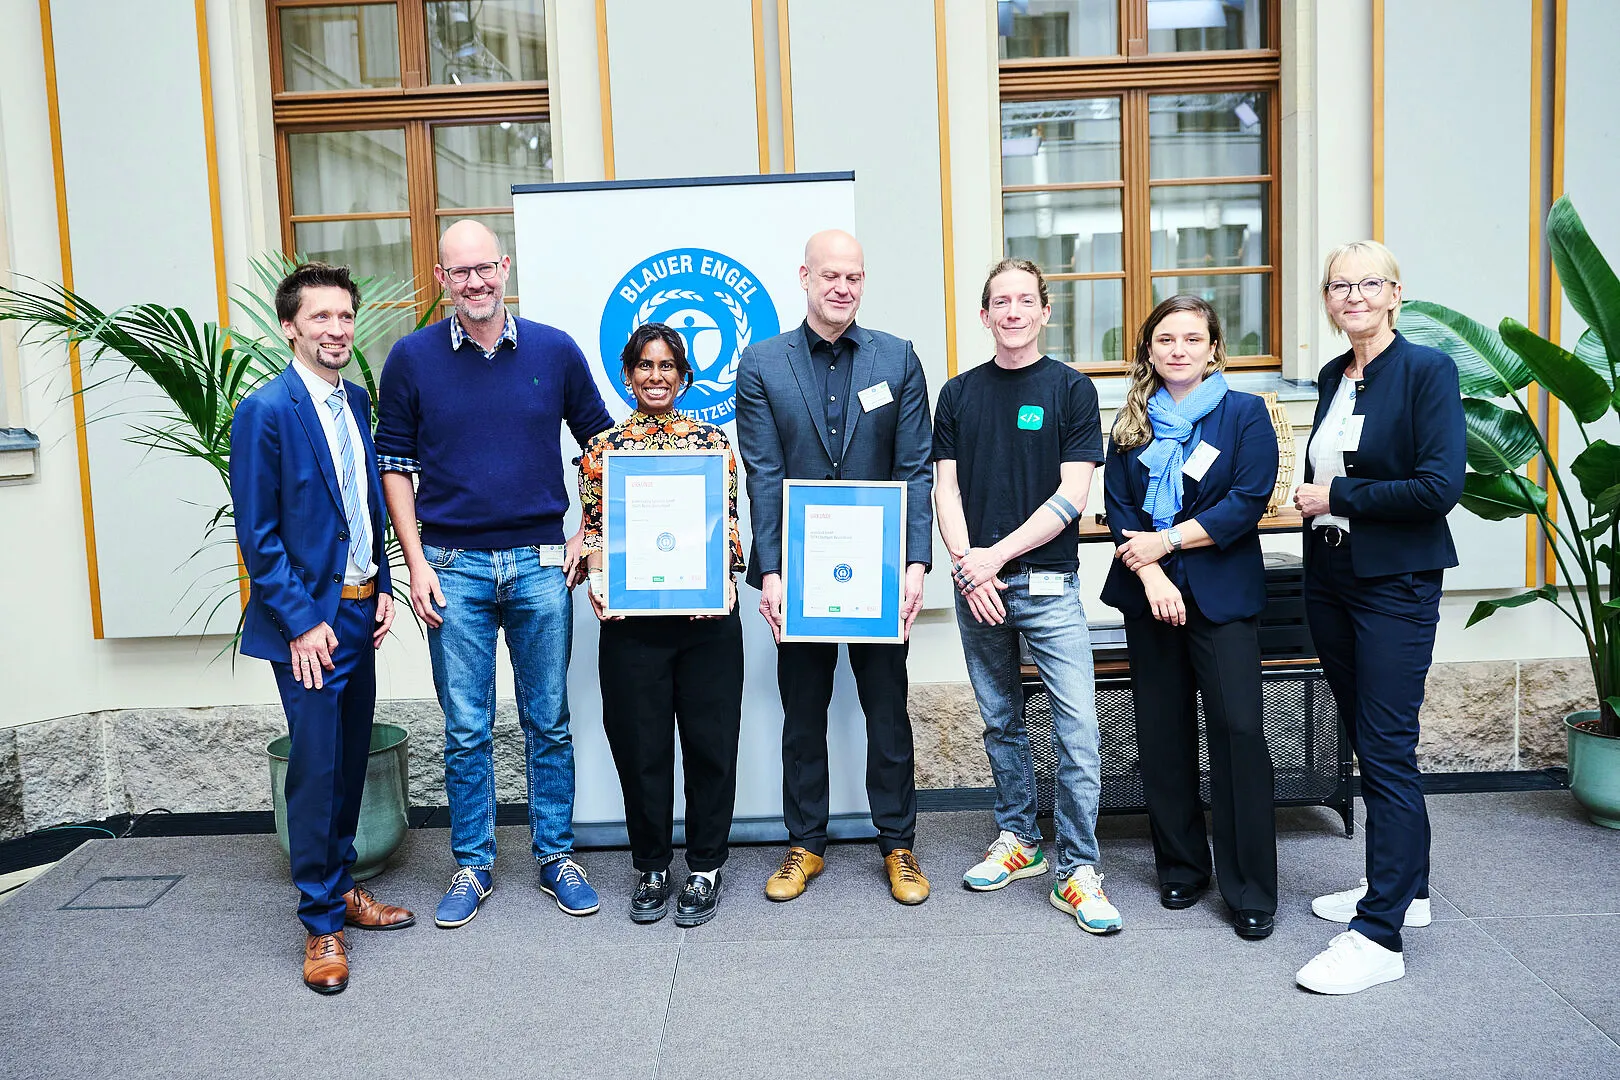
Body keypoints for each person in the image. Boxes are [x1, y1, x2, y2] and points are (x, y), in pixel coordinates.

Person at [375, 219, 614, 928]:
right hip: (452, 567)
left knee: (549, 721)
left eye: (485, 268)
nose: (475, 282)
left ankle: (556, 858)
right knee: (467, 727)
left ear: (505, 267)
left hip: (542, 563)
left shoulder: (555, 349)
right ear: (442, 279)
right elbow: (394, 464)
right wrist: (415, 562)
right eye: (460, 272)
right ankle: (474, 864)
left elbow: (600, 442)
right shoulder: (411, 359)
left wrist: (589, 532)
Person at [734, 228, 935, 905]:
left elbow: (913, 471)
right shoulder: (761, 364)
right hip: (801, 576)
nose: (843, 287)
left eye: (854, 276)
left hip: (880, 578)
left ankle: (899, 845)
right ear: (805, 277)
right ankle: (805, 846)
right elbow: (763, 475)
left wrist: (914, 563)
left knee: (888, 713)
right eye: (831, 276)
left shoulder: (898, 359)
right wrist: (770, 573)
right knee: (803, 714)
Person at [231, 262, 414, 994]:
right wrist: (303, 623)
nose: (336, 330)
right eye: (320, 319)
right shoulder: (266, 410)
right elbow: (259, 534)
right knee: (313, 771)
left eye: (344, 318)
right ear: (290, 327)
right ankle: (320, 928)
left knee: (345, 761)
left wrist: (384, 588)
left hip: (358, 609)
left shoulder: (354, 400)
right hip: (307, 623)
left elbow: (362, 504)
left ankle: (342, 890)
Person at [1292, 241, 1464, 994]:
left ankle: (1379, 935)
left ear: (1396, 293)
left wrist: (1339, 500)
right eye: (1339, 285)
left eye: (1368, 283)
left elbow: (1438, 486)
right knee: (1367, 736)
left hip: (1394, 583)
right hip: (1332, 575)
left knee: (1387, 748)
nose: (1353, 295)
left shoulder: (1427, 372)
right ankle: (1409, 891)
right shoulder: (1336, 374)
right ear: (1328, 300)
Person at [934, 257, 1120, 934]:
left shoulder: (1072, 390)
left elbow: (1072, 495)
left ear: (1045, 312)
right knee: (999, 719)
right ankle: (1020, 841)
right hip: (975, 587)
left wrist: (991, 559)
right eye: (999, 303)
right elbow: (944, 489)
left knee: (1077, 730)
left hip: (1045, 584)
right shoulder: (957, 394)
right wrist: (966, 566)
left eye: (1024, 301)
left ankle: (1078, 870)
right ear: (984, 316)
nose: (1012, 312)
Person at [1100, 295, 1280, 940]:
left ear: (1213, 348)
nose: (1178, 349)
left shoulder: (1245, 414)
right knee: (1162, 735)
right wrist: (1149, 571)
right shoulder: (1129, 426)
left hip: (1221, 595)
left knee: (1237, 735)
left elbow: (1247, 502)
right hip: (1149, 596)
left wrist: (1168, 543)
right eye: (1165, 339)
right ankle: (1181, 867)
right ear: (1149, 350)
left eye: (1192, 338)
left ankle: (1250, 887)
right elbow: (1120, 508)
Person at [578, 323, 746, 927]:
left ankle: (704, 866)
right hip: (632, 625)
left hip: (705, 623)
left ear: (684, 374)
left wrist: (721, 580)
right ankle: (650, 866)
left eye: (668, 365)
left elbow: (726, 530)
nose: (656, 376)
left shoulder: (712, 442)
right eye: (645, 366)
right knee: (640, 748)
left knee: (710, 745)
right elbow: (595, 531)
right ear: (628, 375)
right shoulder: (602, 449)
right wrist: (600, 583)